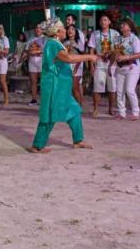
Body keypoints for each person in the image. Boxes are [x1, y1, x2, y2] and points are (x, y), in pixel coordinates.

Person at [28, 18, 98, 153]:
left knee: (74, 110)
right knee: (49, 115)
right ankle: (37, 146)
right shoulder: (53, 44)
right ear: (57, 32)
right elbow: (69, 58)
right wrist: (89, 57)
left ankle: (78, 140)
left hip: (61, 87)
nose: (65, 30)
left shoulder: (55, 43)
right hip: (54, 86)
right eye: (63, 28)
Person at [89, 14, 120, 117]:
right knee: (97, 87)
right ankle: (95, 108)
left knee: (112, 87)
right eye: (101, 20)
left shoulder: (115, 34)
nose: (103, 22)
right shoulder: (95, 34)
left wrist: (111, 54)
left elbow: (118, 48)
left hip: (112, 64)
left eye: (105, 20)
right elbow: (91, 50)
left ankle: (111, 108)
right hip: (99, 63)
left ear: (109, 22)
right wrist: (91, 65)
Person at [114, 18, 140, 121]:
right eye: (121, 25)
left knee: (129, 90)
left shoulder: (134, 39)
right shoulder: (117, 39)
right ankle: (121, 112)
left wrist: (126, 57)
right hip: (120, 67)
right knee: (119, 91)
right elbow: (116, 53)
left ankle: (136, 112)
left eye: (124, 25)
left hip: (132, 67)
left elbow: (139, 54)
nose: (122, 26)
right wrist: (112, 63)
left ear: (130, 27)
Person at [24, 25, 46, 106]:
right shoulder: (31, 38)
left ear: (42, 30)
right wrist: (30, 52)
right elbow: (26, 50)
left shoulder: (45, 38)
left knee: (43, 81)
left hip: (41, 60)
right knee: (33, 81)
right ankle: (34, 99)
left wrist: (37, 52)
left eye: (39, 28)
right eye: (36, 28)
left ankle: (44, 100)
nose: (37, 29)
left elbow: (46, 50)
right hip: (32, 61)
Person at [65, 25, 85, 106]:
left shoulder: (79, 42)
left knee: (74, 88)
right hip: (67, 66)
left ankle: (79, 106)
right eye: (69, 29)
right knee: (68, 89)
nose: (70, 31)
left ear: (75, 32)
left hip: (77, 66)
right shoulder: (65, 42)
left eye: (72, 29)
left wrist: (76, 68)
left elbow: (81, 56)